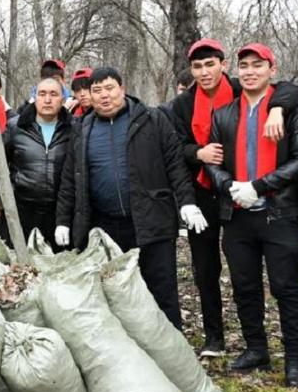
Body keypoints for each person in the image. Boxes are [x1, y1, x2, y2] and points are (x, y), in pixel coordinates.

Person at [169, 38, 298, 358]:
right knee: (205, 269)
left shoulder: (242, 88)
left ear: (223, 64)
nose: (204, 72)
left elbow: (288, 90)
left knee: (257, 274)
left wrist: (278, 109)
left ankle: (270, 343)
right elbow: (176, 148)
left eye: (210, 64)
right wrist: (198, 152)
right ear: (191, 70)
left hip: (245, 194)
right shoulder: (183, 105)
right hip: (204, 191)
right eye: (197, 67)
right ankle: (215, 337)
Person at [55, 67, 202, 329]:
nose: (103, 96)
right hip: (106, 227)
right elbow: (71, 178)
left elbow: (175, 165)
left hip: (151, 221)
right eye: (96, 90)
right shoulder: (82, 128)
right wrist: (63, 220)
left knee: (161, 290)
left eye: (109, 88)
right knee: (116, 294)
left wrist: (187, 202)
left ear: (122, 89)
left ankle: (171, 353)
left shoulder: (153, 120)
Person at [204, 44, 298, 387]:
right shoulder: (224, 114)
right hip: (237, 215)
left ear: (271, 68)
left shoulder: (288, 109)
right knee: (245, 285)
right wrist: (230, 186)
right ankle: (256, 348)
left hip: (279, 212)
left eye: (257, 65)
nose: (250, 72)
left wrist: (260, 186)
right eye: (244, 66)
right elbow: (212, 161)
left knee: (286, 286)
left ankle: (295, 359)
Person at [0, 76, 71, 250]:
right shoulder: (16, 127)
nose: (47, 99)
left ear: (63, 99)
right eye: (42, 94)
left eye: (53, 94)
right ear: (35, 97)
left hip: (59, 212)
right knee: (20, 267)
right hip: (21, 210)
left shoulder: (74, 129)